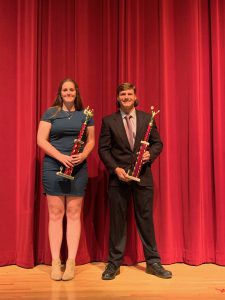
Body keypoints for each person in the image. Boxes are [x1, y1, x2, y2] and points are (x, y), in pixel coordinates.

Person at [98, 82, 172, 280]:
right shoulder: (108, 121)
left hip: (143, 178)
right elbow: (103, 150)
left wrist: (150, 154)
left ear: (135, 96)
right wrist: (116, 169)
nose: (126, 97)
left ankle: (153, 262)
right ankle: (114, 264)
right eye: (122, 94)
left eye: (129, 94)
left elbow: (158, 143)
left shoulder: (148, 118)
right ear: (117, 98)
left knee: (146, 220)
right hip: (119, 178)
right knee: (117, 223)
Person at [37, 78, 95, 281]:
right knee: (55, 213)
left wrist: (84, 155)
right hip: (53, 166)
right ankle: (55, 262)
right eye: (65, 89)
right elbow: (40, 140)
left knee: (73, 213)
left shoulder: (85, 115)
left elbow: (91, 141)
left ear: (76, 92)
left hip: (78, 168)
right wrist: (60, 157)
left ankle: (70, 262)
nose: (68, 92)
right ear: (60, 92)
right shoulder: (50, 113)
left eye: (72, 89)